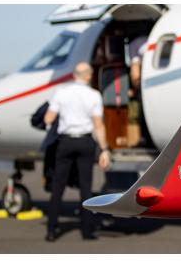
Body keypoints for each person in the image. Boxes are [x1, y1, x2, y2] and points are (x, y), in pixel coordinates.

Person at [44, 62, 110, 242]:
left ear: (74, 75)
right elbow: (98, 125)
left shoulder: (61, 93)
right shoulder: (94, 95)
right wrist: (104, 149)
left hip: (65, 142)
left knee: (58, 186)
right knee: (85, 187)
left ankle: (51, 229)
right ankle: (87, 230)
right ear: (88, 76)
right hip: (85, 142)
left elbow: (48, 118)